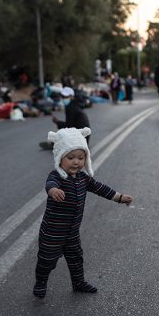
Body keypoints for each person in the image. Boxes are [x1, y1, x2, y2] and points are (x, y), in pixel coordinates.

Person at [33, 127, 133, 298]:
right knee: (47, 260)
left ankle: (78, 282)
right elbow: (50, 183)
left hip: (72, 232)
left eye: (81, 158)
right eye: (70, 157)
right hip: (53, 232)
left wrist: (119, 197)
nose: (76, 162)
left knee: (76, 258)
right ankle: (41, 283)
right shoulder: (57, 176)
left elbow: (100, 188)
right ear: (59, 158)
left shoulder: (83, 178)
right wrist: (53, 191)